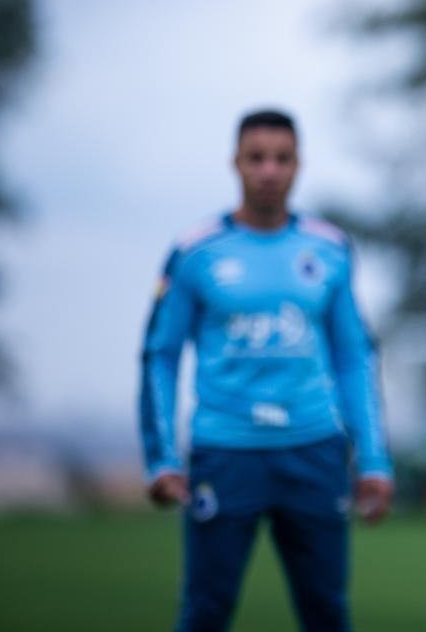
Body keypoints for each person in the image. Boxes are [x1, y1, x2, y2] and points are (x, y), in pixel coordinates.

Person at [139, 109, 393, 631]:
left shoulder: (329, 249)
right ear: (236, 163)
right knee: (205, 613)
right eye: (257, 158)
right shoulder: (196, 252)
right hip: (225, 453)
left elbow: (355, 357)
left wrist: (373, 459)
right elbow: (160, 355)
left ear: (298, 165)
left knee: (326, 613)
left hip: (314, 451)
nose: (269, 170)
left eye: (282, 158)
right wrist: (161, 457)